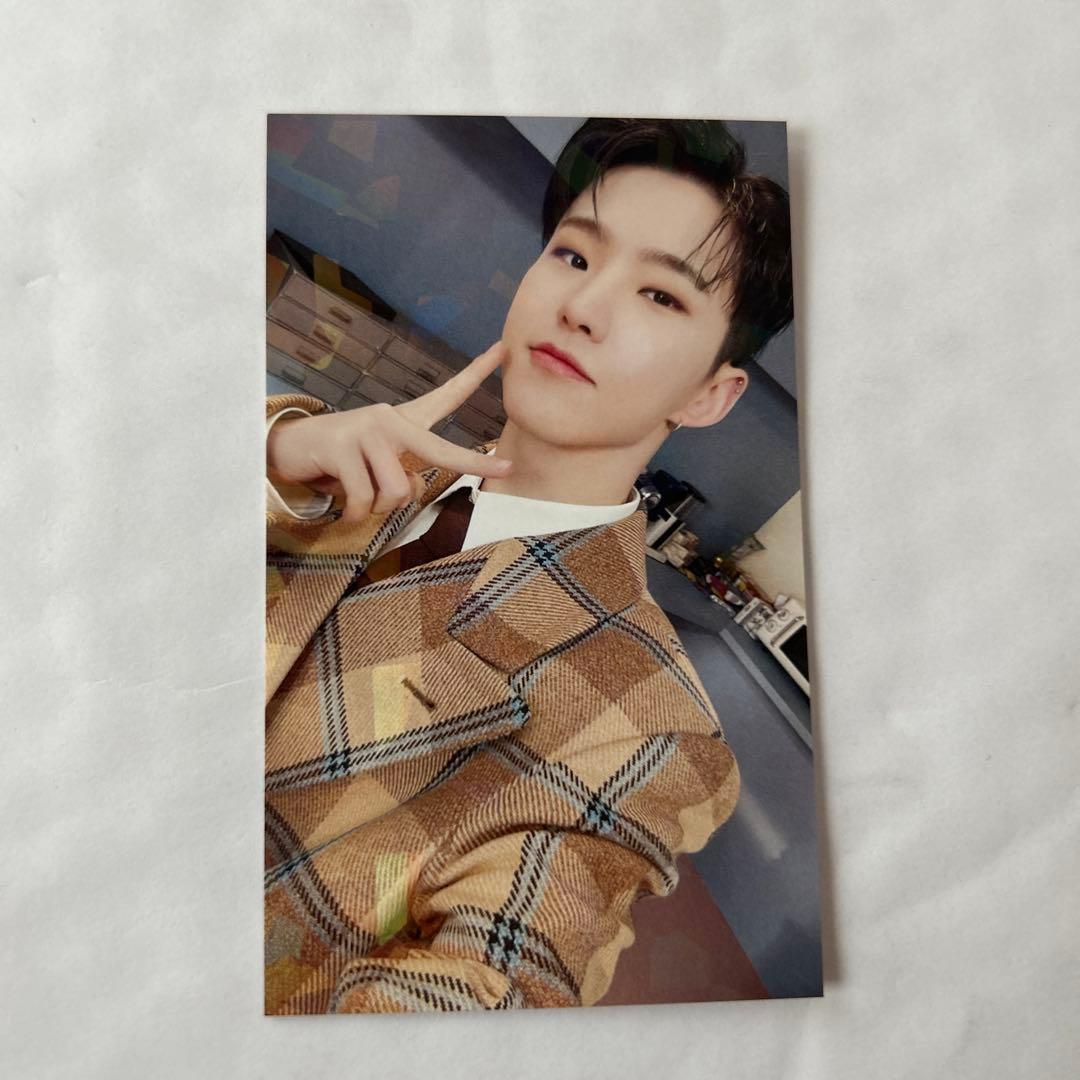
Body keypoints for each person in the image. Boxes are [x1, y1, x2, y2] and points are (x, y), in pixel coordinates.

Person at [264, 117, 794, 1013]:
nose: (582, 306)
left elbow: (495, 986)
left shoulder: (649, 726)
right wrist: (274, 457)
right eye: (574, 256)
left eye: (661, 296)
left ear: (711, 393)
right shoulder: (336, 463)